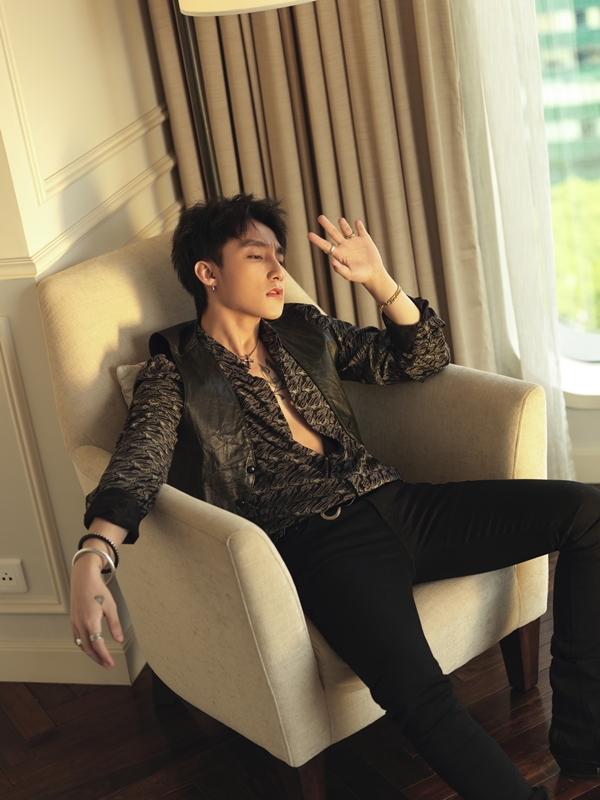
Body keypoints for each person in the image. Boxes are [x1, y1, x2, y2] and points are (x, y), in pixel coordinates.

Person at [70, 194, 600, 800]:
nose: (278, 270)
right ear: (208, 272)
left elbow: (420, 360)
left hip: (399, 503)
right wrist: (94, 554)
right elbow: (136, 466)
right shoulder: (175, 371)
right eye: (257, 256)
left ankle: (585, 749)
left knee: (587, 512)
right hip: (323, 546)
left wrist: (380, 282)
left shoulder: (303, 330)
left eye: (280, 255)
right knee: (418, 694)